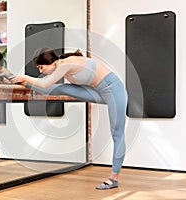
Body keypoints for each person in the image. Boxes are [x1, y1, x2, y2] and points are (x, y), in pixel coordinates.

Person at [10, 48, 128, 190]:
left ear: (51, 62)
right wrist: (26, 83)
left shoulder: (65, 64)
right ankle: (25, 84)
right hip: (99, 91)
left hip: (114, 90)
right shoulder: (62, 64)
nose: (41, 71)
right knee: (61, 88)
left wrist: (25, 77)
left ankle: (114, 178)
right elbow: (49, 87)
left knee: (117, 134)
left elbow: (45, 83)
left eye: (41, 67)